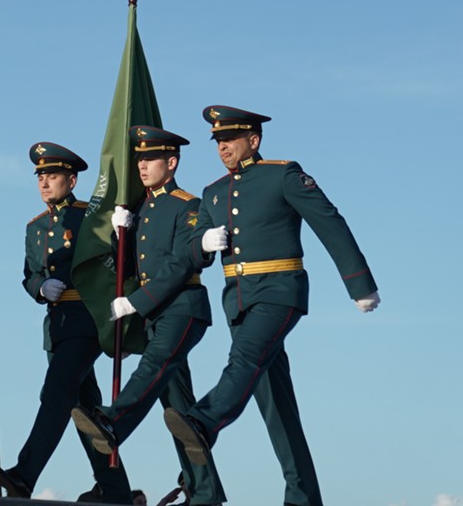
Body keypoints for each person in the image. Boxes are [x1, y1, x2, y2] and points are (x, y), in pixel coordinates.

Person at [162, 106, 379, 506]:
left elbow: (329, 222)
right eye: (218, 142)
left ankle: (203, 420)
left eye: (230, 139)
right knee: (277, 409)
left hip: (279, 291)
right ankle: (304, 498)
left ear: (254, 140)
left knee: (242, 359)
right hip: (238, 301)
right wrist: (204, 244)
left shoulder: (283, 175)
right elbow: (190, 249)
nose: (223, 147)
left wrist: (358, 283)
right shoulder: (212, 193)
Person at [70, 125, 224, 505]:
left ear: (171, 163)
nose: (142, 165)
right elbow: (129, 265)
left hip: (183, 307)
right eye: (139, 158)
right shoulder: (141, 208)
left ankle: (113, 421)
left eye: (151, 158)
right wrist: (121, 234)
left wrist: (137, 302)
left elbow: (179, 264)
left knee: (153, 367)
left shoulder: (188, 205)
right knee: (179, 409)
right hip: (155, 314)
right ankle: (204, 492)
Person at [0, 142, 132, 503]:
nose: (44, 183)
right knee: (85, 412)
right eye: (40, 177)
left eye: (52, 176)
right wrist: (40, 287)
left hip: (86, 321)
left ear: (71, 179)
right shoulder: (35, 227)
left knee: (54, 394)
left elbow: (117, 260)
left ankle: (24, 475)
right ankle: (116, 492)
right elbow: (29, 275)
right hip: (57, 327)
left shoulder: (89, 216)